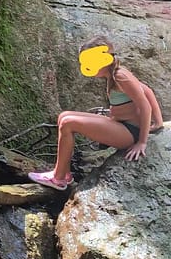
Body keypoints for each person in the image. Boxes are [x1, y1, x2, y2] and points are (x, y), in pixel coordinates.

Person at [29, 37, 164, 190]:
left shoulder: (120, 76)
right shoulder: (115, 73)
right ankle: (64, 173)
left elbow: (145, 105)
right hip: (120, 124)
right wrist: (158, 123)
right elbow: (148, 91)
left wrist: (142, 142)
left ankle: (58, 178)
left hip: (129, 132)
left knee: (68, 123)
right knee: (63, 116)